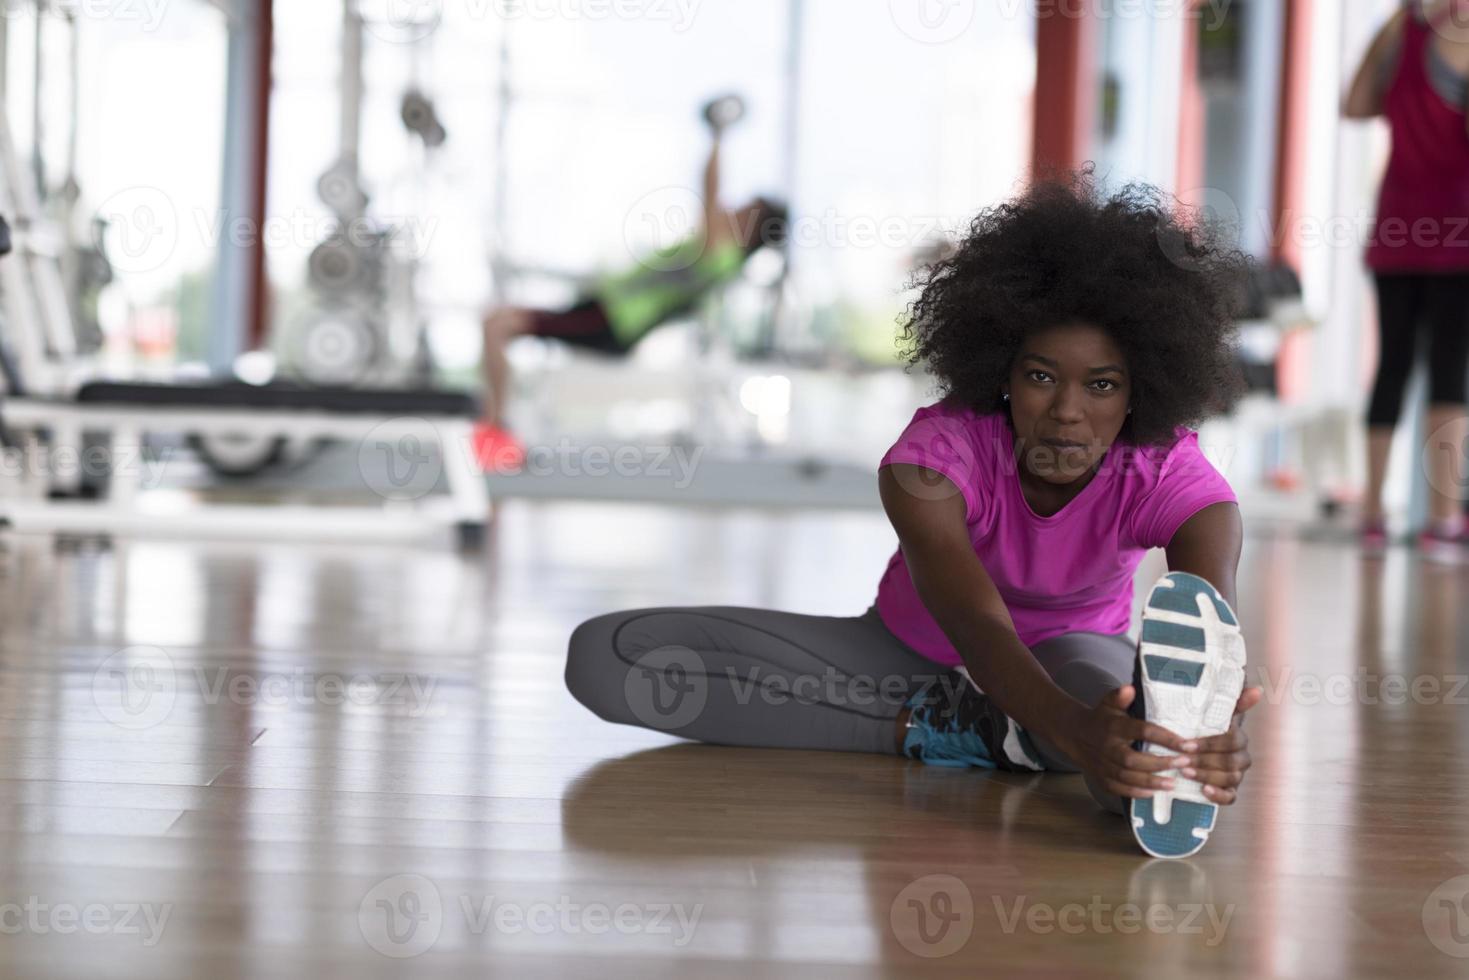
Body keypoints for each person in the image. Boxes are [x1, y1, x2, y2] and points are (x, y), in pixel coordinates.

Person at [562, 167, 1264, 858]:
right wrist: (1070, 735)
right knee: (607, 659)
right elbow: (976, 627)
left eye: (1102, 385)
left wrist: (1206, 728)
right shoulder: (933, 458)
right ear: (1001, 373)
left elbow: (1212, 629)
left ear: (1142, 389)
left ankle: (1103, 751)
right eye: (1040, 376)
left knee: (1130, 729)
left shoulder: (1167, 472)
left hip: (1075, 669)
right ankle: (990, 735)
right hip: (908, 661)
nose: (1067, 412)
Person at [473, 94, 789, 471]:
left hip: (613, 321)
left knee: (498, 324)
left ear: (753, 228)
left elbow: (709, 192)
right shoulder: (722, 255)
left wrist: (718, 136)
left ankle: (494, 431)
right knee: (498, 324)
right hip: (605, 311)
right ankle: (495, 428)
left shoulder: (720, 254)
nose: (734, 207)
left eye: (747, 208)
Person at [1344, 0, 1469, 561]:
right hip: (1457, 233)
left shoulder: (1400, 36)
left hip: (1397, 231)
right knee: (1449, 369)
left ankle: (1373, 512)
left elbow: (1354, 104)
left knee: (1392, 365)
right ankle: (1442, 521)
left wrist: (1398, 23)